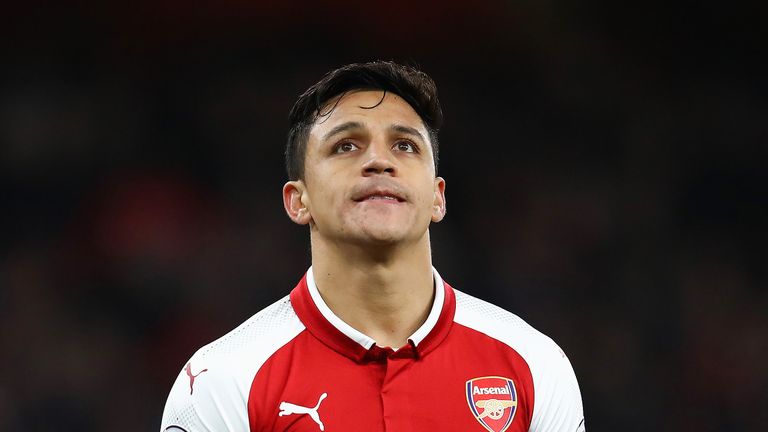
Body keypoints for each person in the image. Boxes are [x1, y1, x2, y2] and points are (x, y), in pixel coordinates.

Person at [160, 61, 585, 432]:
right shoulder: (223, 381)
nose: (380, 161)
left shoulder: (533, 364)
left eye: (405, 146)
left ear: (438, 196)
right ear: (298, 200)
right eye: (346, 146)